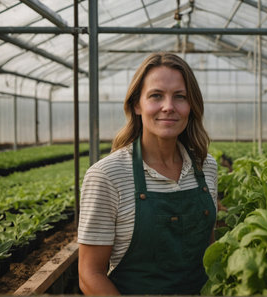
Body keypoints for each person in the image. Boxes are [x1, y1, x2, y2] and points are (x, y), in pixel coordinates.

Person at [77, 52, 218, 295]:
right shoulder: (107, 175)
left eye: (180, 97)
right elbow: (89, 275)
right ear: (137, 105)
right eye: (156, 96)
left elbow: (208, 246)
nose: (168, 107)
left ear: (191, 105)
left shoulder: (206, 167)